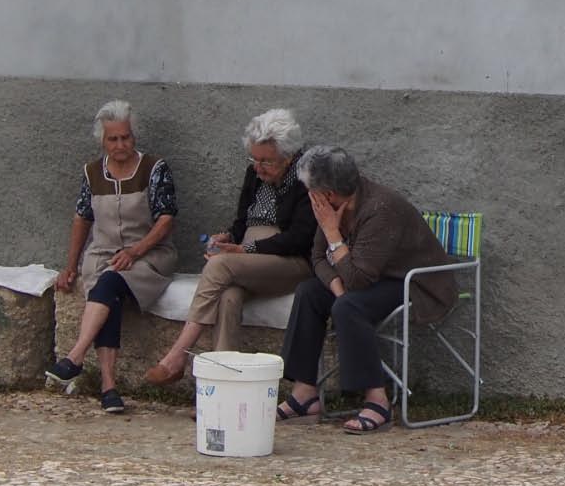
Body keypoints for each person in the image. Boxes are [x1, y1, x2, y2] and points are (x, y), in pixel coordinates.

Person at [276, 146, 457, 434]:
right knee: (309, 292)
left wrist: (333, 234)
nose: (307, 196)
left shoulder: (380, 209)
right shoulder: (332, 207)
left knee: (350, 306)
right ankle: (304, 393)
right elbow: (318, 258)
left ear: (328, 194)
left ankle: (377, 401)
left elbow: (358, 280)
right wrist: (336, 287)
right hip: (365, 278)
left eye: (310, 190)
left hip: (415, 284)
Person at [144, 108, 313, 385]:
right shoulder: (255, 174)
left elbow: (300, 238)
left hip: (290, 261)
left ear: (289, 156)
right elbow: (242, 222)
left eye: (266, 162)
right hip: (250, 260)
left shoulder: (306, 177)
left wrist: (246, 250)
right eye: (254, 159)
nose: (258, 168)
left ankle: (177, 356)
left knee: (219, 264)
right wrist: (227, 238)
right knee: (229, 296)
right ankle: (222, 386)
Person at [46, 100, 177, 414]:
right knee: (108, 290)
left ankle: (75, 358)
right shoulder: (92, 172)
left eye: (126, 137)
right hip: (104, 254)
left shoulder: (154, 169)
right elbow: (82, 218)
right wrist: (71, 266)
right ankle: (109, 388)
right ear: (102, 141)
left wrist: (136, 250)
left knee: (109, 283)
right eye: (113, 139)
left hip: (149, 256)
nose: (121, 145)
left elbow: (166, 218)